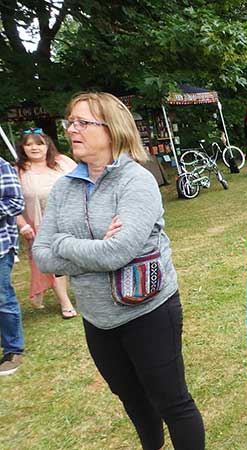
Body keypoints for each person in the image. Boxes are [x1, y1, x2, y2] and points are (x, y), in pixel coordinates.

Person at [33, 92, 205, 449]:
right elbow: (42, 256)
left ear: (112, 129)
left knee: (172, 402)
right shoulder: (65, 187)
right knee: (133, 400)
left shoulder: (136, 181)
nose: (72, 129)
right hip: (97, 319)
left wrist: (64, 243)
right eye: (71, 122)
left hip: (148, 311)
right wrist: (92, 248)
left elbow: (117, 252)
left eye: (83, 122)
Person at [14, 129, 78, 318]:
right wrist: (22, 224)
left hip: (71, 219)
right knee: (54, 264)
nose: (34, 147)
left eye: (39, 143)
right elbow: (10, 201)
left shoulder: (63, 163)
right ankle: (65, 303)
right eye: (29, 144)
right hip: (40, 226)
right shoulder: (18, 171)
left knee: (78, 257)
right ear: (23, 148)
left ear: (47, 145)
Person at [0, 156, 25, 376]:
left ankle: (13, 349)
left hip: (0, 245)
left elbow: (16, 202)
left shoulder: (1, 165)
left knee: (2, 297)